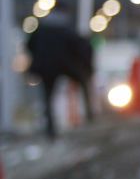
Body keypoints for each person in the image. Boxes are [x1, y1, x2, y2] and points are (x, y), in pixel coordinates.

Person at [26, 11, 94, 139]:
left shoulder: (41, 30)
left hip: (46, 67)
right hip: (66, 64)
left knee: (47, 98)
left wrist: (38, 58)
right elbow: (80, 46)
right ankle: (90, 115)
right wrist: (86, 67)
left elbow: (29, 45)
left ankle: (50, 129)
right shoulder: (66, 29)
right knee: (84, 82)